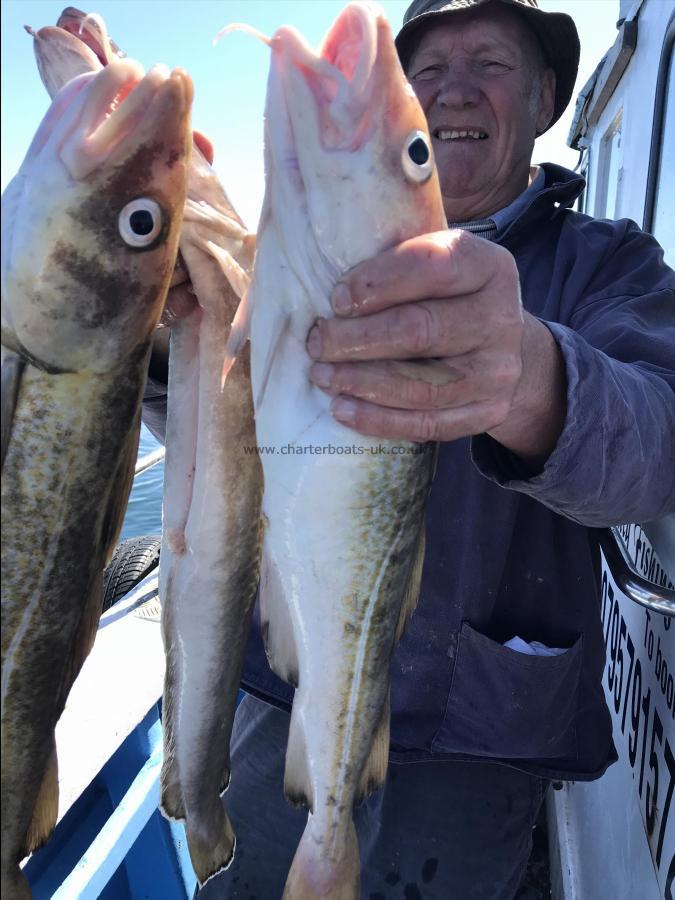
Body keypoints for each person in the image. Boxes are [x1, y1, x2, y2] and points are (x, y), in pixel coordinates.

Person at [143, 0, 675, 896]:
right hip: (284, 691)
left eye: (491, 64)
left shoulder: (608, 263)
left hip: (483, 739)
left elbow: (657, 443)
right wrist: (171, 350)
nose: (452, 89)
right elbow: (224, 440)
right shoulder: (288, 255)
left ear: (546, 98)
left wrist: (534, 377)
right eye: (427, 71)